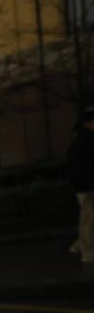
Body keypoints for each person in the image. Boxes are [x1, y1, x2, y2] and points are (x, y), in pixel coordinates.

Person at [68, 104, 94, 264]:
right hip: (89, 187)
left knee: (88, 220)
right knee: (89, 221)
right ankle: (87, 251)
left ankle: (82, 245)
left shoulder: (77, 142)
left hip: (84, 187)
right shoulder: (89, 140)